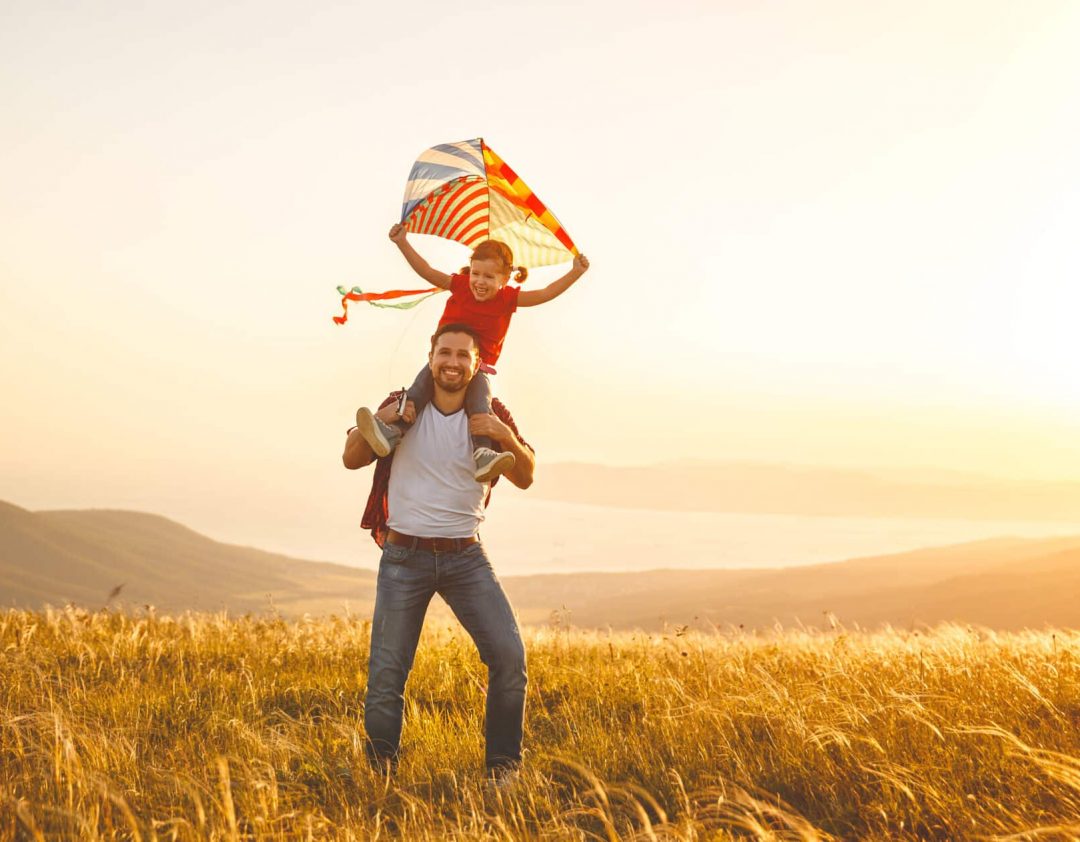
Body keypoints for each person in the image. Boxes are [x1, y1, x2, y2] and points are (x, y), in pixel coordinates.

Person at [343, 322, 536, 780]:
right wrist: (388, 415)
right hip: (403, 557)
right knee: (387, 672)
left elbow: (526, 475)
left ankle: (503, 771)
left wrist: (504, 437)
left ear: (476, 363)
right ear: (430, 356)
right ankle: (380, 772)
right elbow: (351, 456)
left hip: (465, 557)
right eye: (444, 353)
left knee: (509, 659)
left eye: (462, 355)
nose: (452, 362)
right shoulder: (405, 404)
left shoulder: (491, 412)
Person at [354, 223, 588, 484]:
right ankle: (392, 433)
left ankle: (482, 454)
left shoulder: (507, 299)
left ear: (505, 279)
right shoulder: (461, 285)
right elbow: (427, 271)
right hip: (441, 365)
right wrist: (402, 243)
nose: (479, 281)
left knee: (480, 407)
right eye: (476, 273)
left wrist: (575, 272)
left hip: (478, 369)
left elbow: (545, 293)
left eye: (489, 277)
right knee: (415, 396)